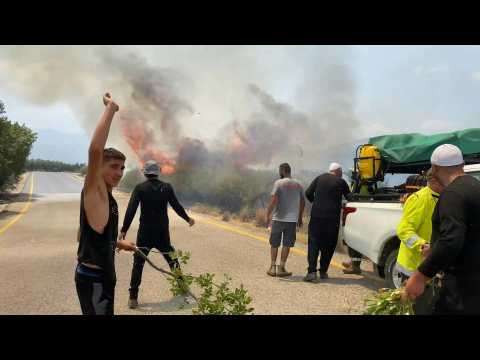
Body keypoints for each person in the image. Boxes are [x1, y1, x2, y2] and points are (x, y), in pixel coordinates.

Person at [75, 93, 137, 316]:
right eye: (113, 166)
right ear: (99, 167)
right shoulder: (95, 191)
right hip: (94, 281)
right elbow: (94, 151)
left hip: (101, 277)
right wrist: (111, 108)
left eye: (122, 168)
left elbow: (86, 234)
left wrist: (119, 244)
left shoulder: (107, 198)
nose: (119, 172)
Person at [405, 144, 480, 314]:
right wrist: (435, 248)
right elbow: (470, 231)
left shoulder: (452, 194)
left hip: (462, 287)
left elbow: (451, 240)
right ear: (461, 165)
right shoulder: (475, 186)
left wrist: (420, 276)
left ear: (435, 168)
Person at [120, 160, 195, 309]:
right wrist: (188, 218)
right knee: (172, 259)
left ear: (145, 172)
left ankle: (133, 298)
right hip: (162, 233)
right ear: (158, 172)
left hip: (145, 234)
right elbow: (176, 206)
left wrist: (124, 229)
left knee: (138, 264)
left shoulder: (140, 188)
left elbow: (131, 210)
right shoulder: (166, 188)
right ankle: (183, 289)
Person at [304, 162, 351, 282]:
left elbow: (308, 193)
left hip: (317, 217)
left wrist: (316, 203)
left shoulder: (319, 178)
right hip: (332, 219)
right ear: (338, 171)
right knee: (329, 244)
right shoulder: (341, 182)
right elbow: (350, 197)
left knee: (314, 242)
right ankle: (323, 271)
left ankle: (311, 272)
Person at [396, 168, 443, 281]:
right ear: (434, 181)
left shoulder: (439, 197)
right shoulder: (420, 199)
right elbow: (404, 230)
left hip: (427, 265)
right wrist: (422, 245)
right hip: (413, 267)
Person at [265, 163, 305, 277]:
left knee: (274, 243)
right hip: (292, 220)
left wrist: (268, 214)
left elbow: (273, 200)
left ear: (282, 171)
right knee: (287, 244)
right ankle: (281, 268)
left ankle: (272, 267)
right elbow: (303, 202)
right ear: (289, 171)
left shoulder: (279, 183)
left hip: (278, 218)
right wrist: (300, 217)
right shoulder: (298, 184)